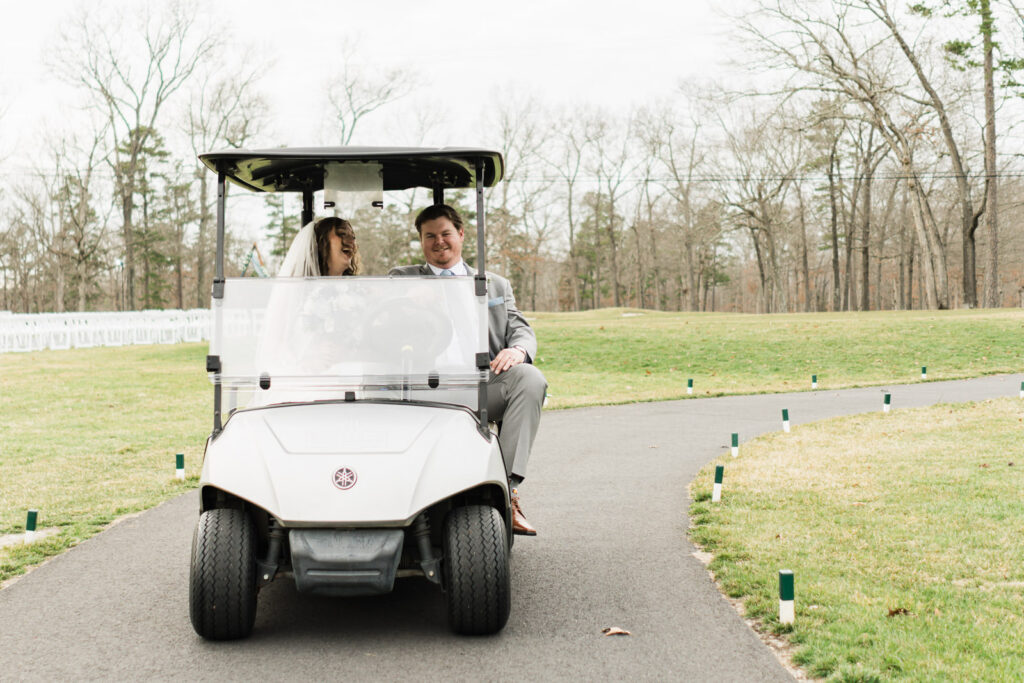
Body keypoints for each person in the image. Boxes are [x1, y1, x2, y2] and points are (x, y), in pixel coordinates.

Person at [389, 204, 547, 536]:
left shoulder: (496, 285)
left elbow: (521, 330)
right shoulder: (402, 280)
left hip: (478, 384)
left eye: (445, 234)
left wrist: (517, 350)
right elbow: (382, 328)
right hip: (424, 387)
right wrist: (405, 304)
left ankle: (507, 490)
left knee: (530, 379)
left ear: (460, 234)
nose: (439, 242)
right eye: (429, 236)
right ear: (421, 241)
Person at [278, 216, 361, 277]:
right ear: (322, 244)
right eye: (342, 234)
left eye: (353, 237)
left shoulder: (356, 289)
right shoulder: (304, 292)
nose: (352, 240)